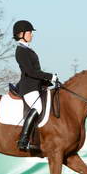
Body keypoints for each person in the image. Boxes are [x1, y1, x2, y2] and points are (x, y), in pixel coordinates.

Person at [12, 20, 58, 151]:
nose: (31, 35)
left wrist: (47, 81)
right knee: (37, 107)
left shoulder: (27, 49)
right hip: (28, 87)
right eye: (30, 33)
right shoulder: (21, 50)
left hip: (35, 85)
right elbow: (30, 72)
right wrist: (50, 76)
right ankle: (23, 140)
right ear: (21, 34)